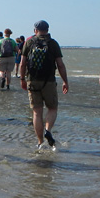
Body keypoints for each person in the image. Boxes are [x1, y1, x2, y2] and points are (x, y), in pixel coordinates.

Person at [19, 20, 69, 150]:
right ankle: (48, 130)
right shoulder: (53, 44)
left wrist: (22, 79)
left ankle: (40, 142)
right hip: (49, 81)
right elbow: (60, 64)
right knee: (52, 108)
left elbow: (22, 63)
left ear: (35, 30)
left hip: (33, 80)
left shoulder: (29, 42)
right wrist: (65, 81)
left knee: (36, 111)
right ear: (47, 29)